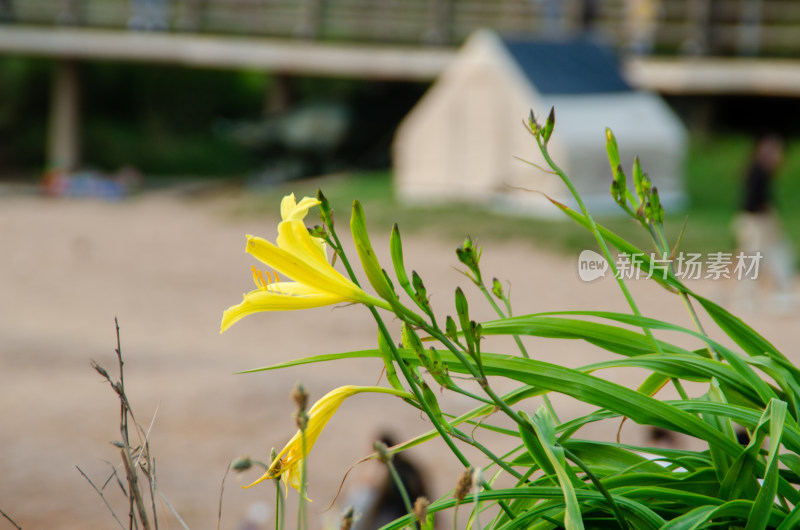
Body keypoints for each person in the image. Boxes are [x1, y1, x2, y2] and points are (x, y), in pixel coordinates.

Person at [732, 134, 796, 312]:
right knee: (757, 258)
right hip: (756, 222)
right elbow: (755, 202)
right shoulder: (757, 172)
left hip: (755, 221)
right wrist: (772, 218)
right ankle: (747, 297)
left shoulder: (759, 171)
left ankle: (773, 293)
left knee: (767, 257)